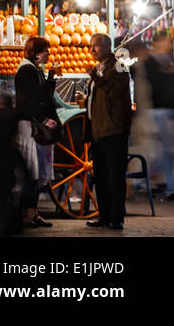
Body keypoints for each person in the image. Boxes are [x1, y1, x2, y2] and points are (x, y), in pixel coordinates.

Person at [75, 33, 133, 230]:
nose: (91, 50)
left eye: (95, 46)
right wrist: (86, 97)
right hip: (98, 131)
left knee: (114, 176)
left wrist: (95, 77)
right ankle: (104, 216)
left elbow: (114, 90)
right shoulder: (100, 69)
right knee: (100, 176)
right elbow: (101, 94)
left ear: (107, 46)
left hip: (113, 131)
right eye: (90, 46)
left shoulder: (118, 66)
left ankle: (116, 219)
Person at [14, 36, 60, 229]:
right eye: (45, 51)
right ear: (36, 52)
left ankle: (32, 213)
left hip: (32, 124)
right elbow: (31, 101)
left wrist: (51, 77)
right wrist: (43, 119)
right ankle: (27, 214)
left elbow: (43, 96)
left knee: (36, 170)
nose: (48, 54)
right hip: (28, 126)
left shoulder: (34, 69)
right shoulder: (27, 70)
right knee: (32, 170)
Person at [142, 31, 174, 199]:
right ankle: (143, 182)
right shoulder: (151, 62)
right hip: (158, 111)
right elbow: (152, 83)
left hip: (167, 110)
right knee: (165, 152)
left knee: (166, 152)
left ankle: (145, 182)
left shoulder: (167, 60)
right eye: (165, 42)